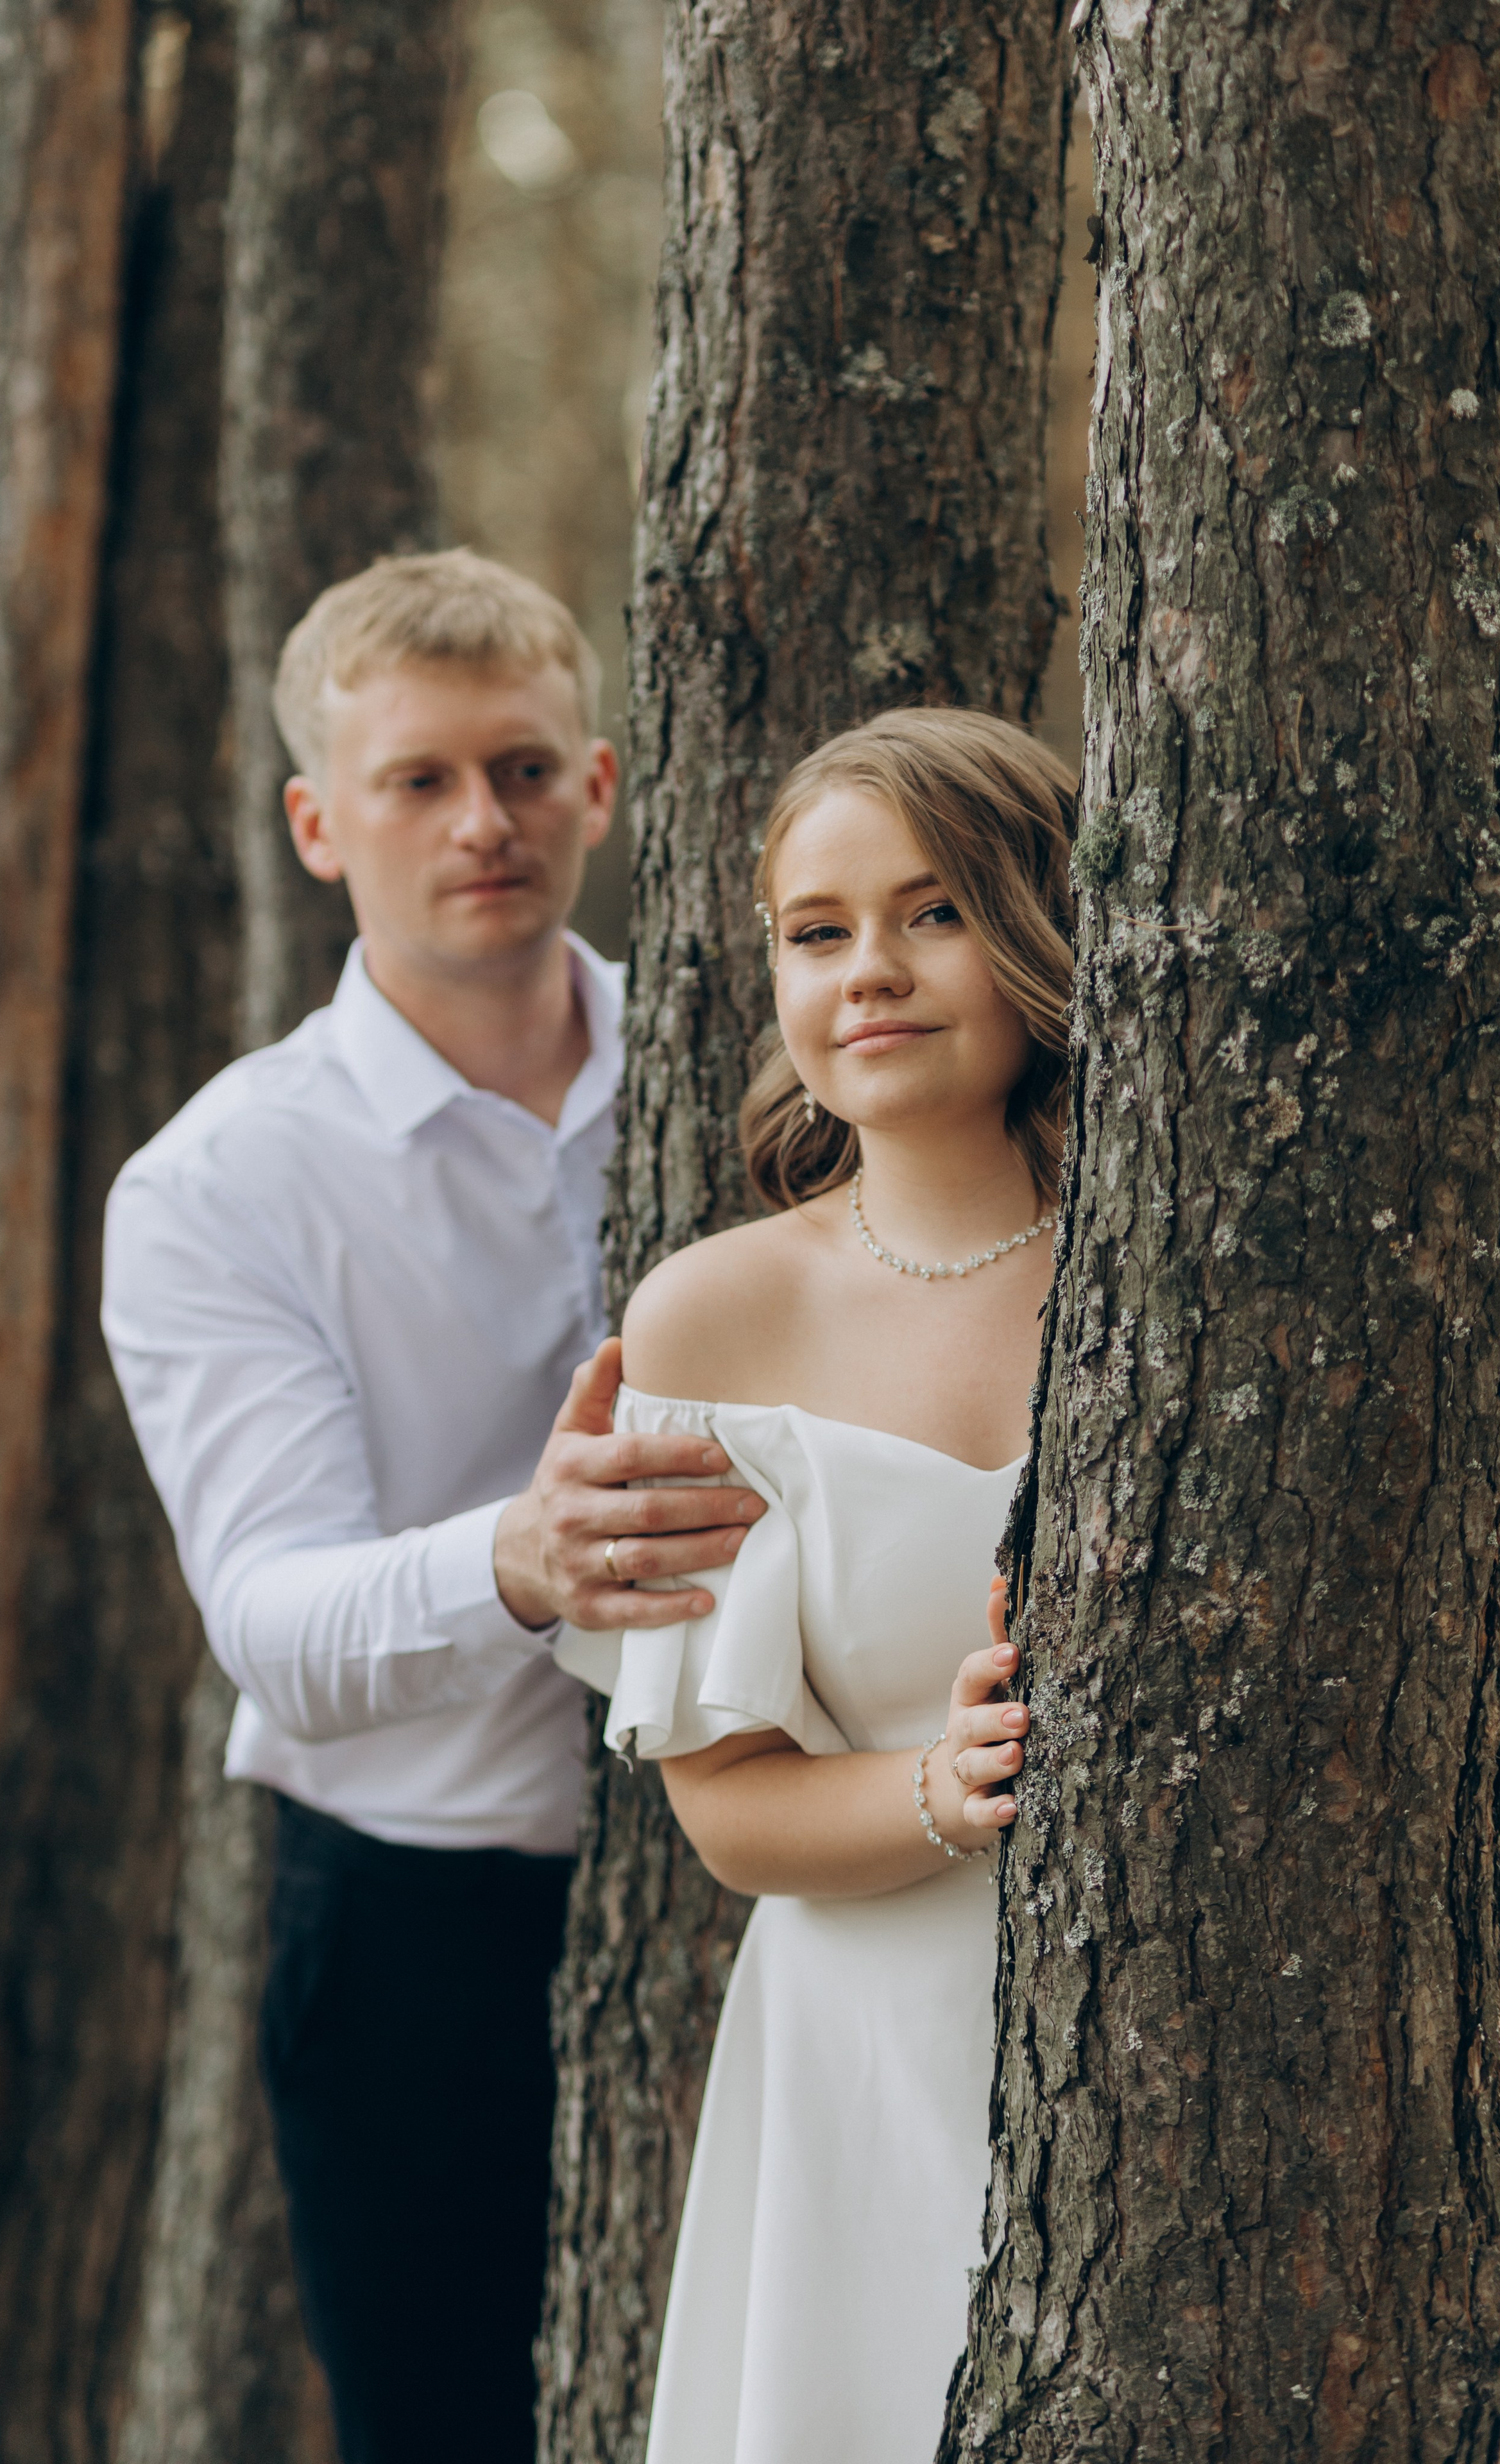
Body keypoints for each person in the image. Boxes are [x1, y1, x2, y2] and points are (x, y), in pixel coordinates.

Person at [101, 549, 767, 2464]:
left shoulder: (765, 1072)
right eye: (420, 781)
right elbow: (276, 1630)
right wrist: (518, 1560)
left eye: (525, 769)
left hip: (775, 1882)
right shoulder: (218, 1188)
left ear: (602, 787)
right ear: (320, 823)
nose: (485, 821)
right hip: (421, 1943)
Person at [558, 706, 1073, 2464]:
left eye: (935, 913)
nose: (872, 972)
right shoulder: (719, 1315)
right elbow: (730, 1812)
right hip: (866, 2056)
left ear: (1041, 925)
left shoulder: (1188, 1264)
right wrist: (946, 1786)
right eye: (818, 931)